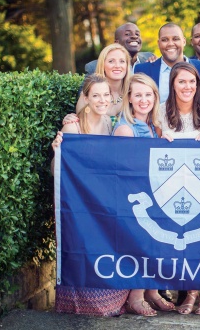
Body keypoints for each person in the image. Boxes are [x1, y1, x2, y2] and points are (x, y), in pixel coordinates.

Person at [52, 74, 128, 316]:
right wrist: (57, 152)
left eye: (106, 95)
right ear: (85, 98)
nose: (102, 100)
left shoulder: (110, 123)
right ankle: (79, 303)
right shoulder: (73, 125)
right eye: (96, 95)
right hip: (77, 200)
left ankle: (108, 300)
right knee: (81, 247)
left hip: (102, 198)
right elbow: (60, 170)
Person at [111, 73, 176, 316]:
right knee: (142, 243)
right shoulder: (126, 129)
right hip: (133, 197)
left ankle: (151, 292)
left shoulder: (153, 126)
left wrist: (164, 141)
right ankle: (135, 297)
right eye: (138, 95)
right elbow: (128, 169)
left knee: (157, 243)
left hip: (153, 194)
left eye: (148, 94)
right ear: (129, 98)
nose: (143, 99)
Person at [155, 62, 200, 315]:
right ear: (173, 85)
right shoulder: (160, 111)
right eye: (182, 81)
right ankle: (190, 291)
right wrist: (160, 139)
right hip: (172, 183)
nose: (187, 86)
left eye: (192, 82)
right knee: (184, 236)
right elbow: (151, 144)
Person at [134, 23, 200, 103]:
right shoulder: (143, 70)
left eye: (175, 39)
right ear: (158, 43)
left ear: (183, 41)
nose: (170, 44)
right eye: (165, 40)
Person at [84, 22, 156, 73]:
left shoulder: (149, 58)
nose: (134, 36)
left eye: (137, 34)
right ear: (116, 43)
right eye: (127, 34)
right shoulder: (95, 67)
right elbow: (84, 94)